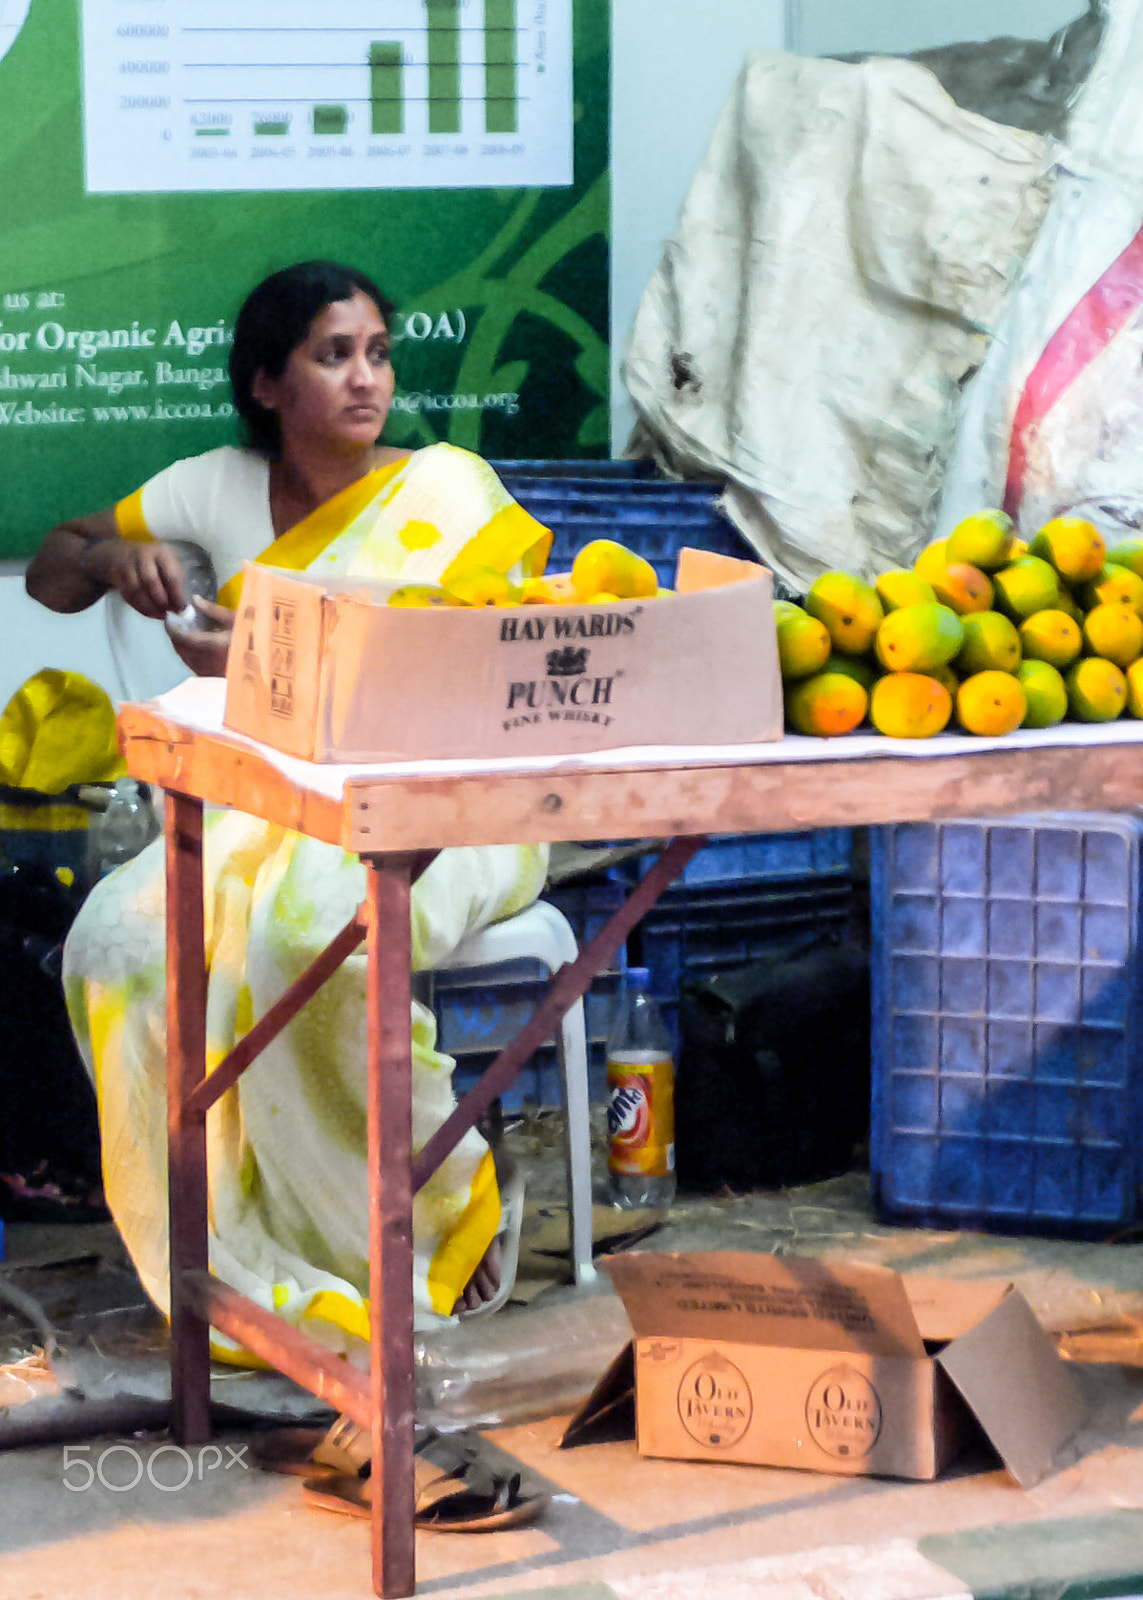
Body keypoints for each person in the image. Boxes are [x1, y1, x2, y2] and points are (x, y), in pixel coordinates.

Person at [26, 260, 555, 1354]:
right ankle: (226, 1259)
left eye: (378, 354)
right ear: (267, 383)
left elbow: (504, 668)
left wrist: (299, 660)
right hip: (272, 800)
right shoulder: (214, 488)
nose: (367, 380)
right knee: (114, 946)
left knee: (313, 932)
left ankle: (428, 1213)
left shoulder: (451, 495)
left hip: (449, 796)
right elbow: (53, 568)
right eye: (333, 355)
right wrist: (116, 555)